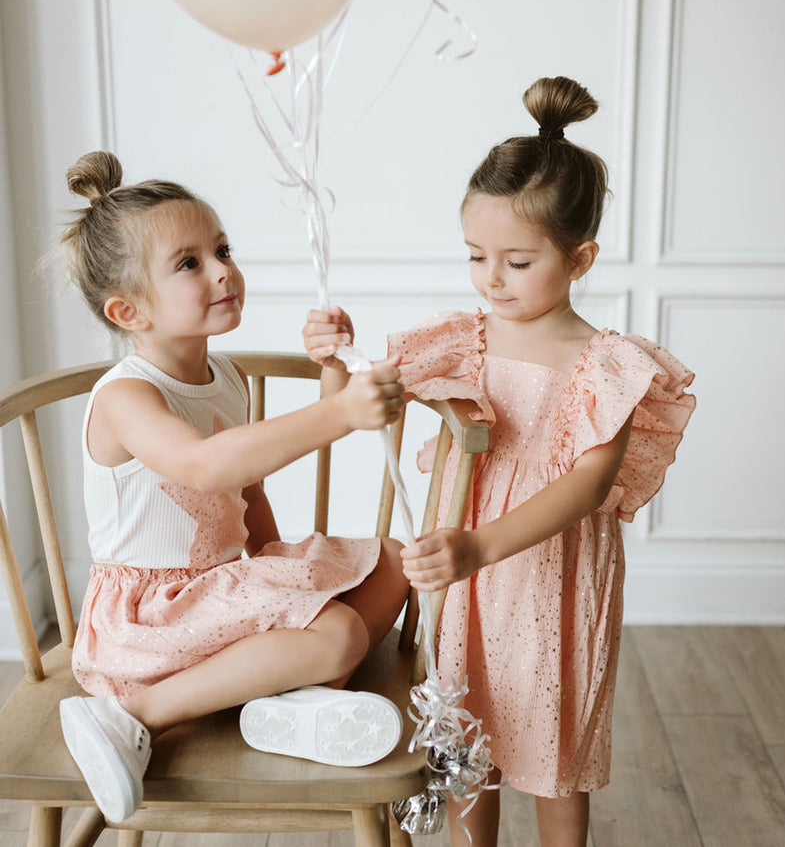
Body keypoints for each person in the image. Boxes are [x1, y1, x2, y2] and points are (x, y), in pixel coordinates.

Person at [303, 77, 696, 846]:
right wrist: (329, 359)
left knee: (555, 734)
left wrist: (478, 546)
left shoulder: (605, 365)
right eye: (477, 255)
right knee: (466, 732)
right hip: (466, 575)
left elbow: (587, 485)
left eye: (517, 261)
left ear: (578, 258)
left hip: (549, 571)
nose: (491, 278)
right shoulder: (463, 339)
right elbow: (356, 409)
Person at [56, 151, 411, 824]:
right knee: (336, 635)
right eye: (189, 263)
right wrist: (337, 409)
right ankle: (133, 715)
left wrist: (330, 367)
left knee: (392, 564)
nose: (222, 270)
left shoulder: (226, 376)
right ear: (128, 311)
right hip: (151, 623)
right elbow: (206, 467)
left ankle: (280, 699)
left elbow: (246, 486)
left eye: (221, 249)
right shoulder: (126, 397)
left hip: (218, 593)